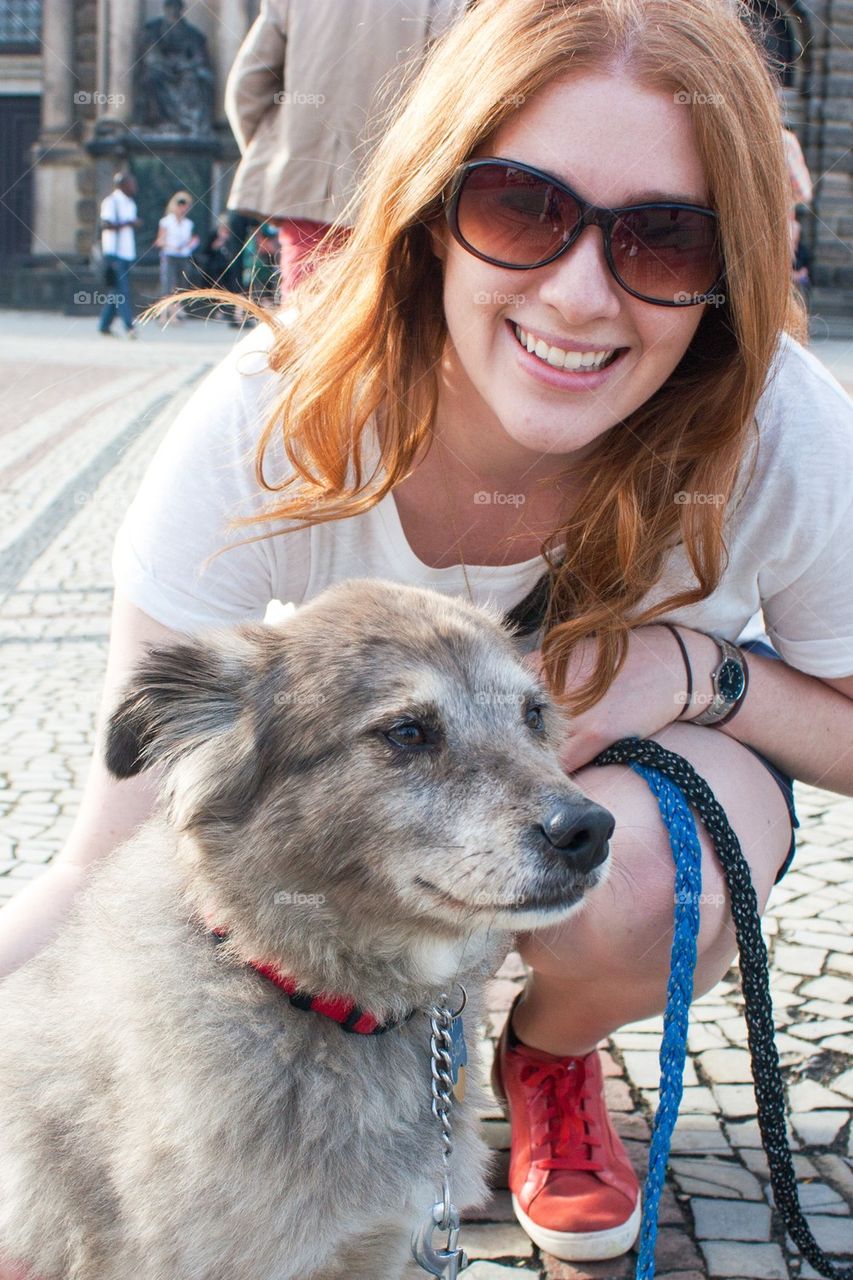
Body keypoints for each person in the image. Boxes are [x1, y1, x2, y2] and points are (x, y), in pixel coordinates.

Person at [3, 0, 853, 1265]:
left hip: (647, 766)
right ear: (429, 212)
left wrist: (698, 669)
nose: (579, 294)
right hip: (358, 882)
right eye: (521, 207)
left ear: (731, 264)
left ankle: (548, 1058)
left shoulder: (775, 421)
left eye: (664, 238)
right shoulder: (273, 418)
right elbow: (105, 854)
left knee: (632, 874)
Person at [224, 0, 467, 293]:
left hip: (307, 186)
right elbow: (450, 93)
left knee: (307, 316)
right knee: (382, 317)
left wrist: (277, 160)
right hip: (393, 194)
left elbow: (247, 86)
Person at [97, 172, 141, 338]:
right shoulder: (111, 202)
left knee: (116, 291)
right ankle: (129, 326)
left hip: (126, 252)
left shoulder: (130, 203)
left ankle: (104, 325)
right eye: (132, 184)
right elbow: (106, 224)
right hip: (114, 253)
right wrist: (128, 223)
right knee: (122, 291)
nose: (134, 187)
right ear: (123, 185)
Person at [154, 190, 201, 325]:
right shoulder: (166, 222)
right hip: (170, 255)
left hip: (184, 256)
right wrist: (172, 245)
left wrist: (189, 244)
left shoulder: (188, 224)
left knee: (179, 287)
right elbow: (159, 240)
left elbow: (191, 239)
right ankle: (163, 315)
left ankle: (174, 315)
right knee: (167, 285)